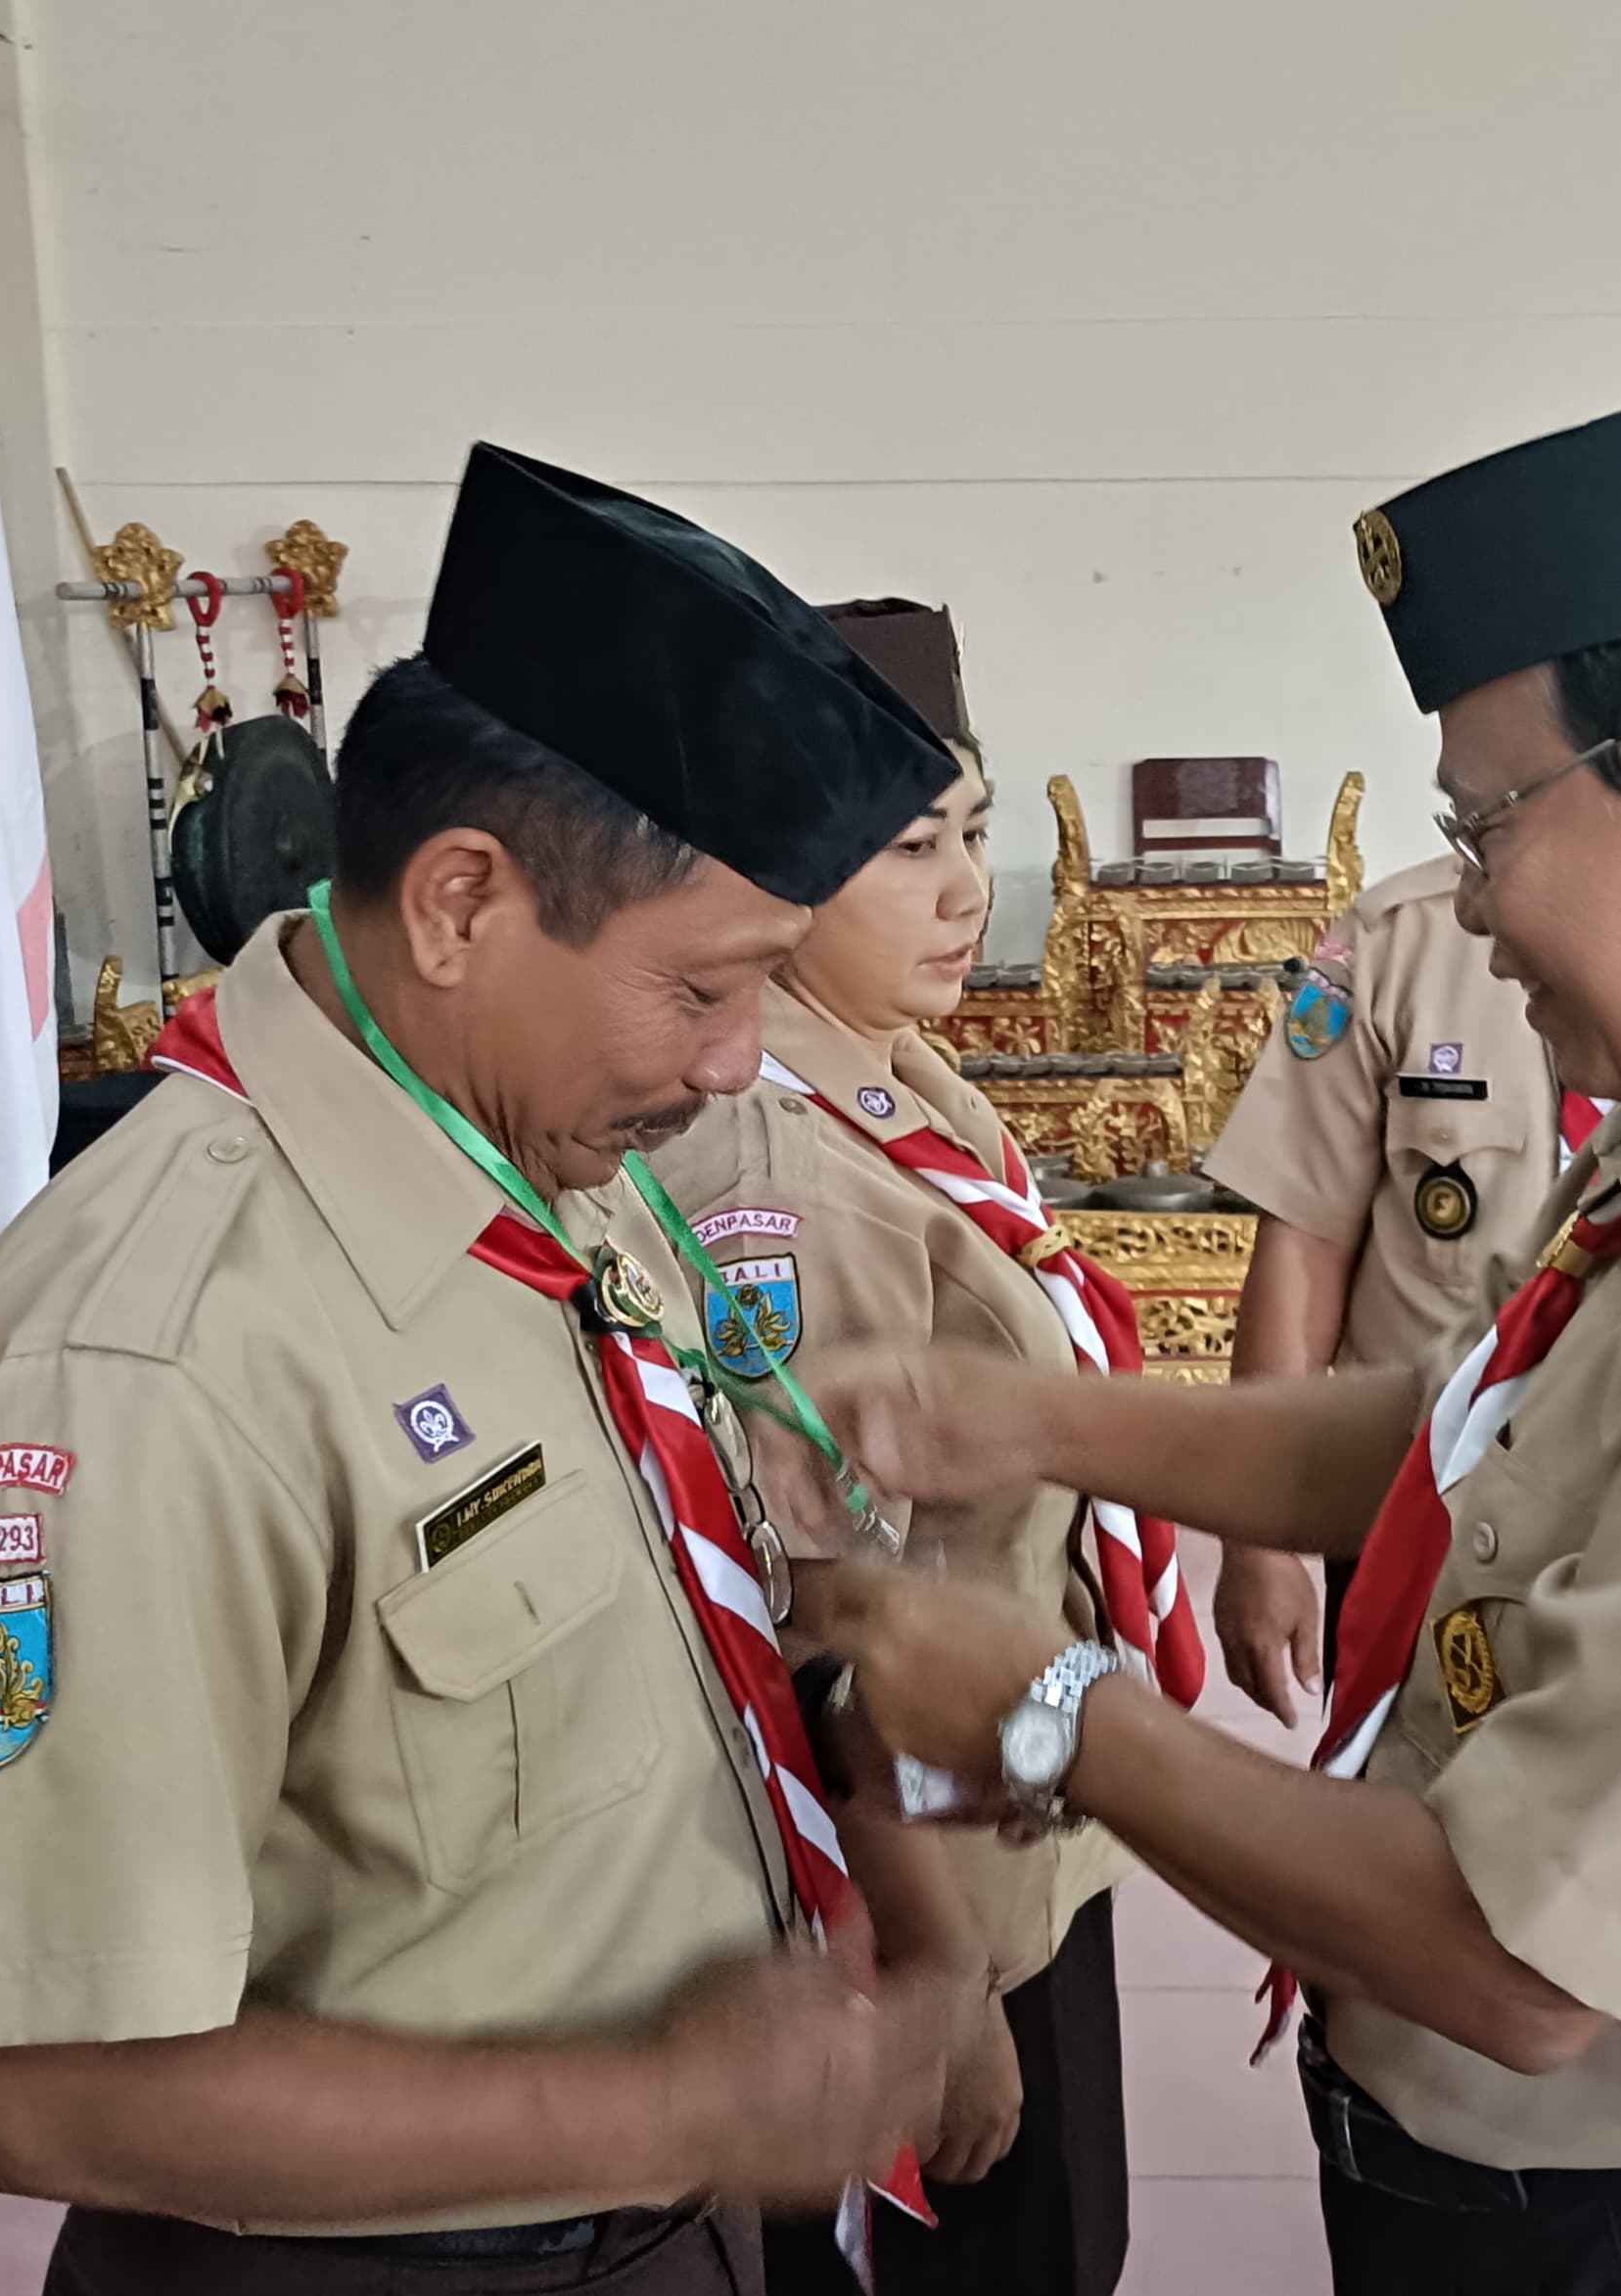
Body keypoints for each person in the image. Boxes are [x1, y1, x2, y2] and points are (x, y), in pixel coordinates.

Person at [803, 390, 1621, 2295]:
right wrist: (1022, 1418)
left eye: (1483, 824)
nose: (1474, 907)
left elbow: (1507, 1956)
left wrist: (1041, 1706)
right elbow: (1461, 1442)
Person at [0, 442, 992, 2296]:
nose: (735, 1068)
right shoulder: (152, 1365)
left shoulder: (561, 1166)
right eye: (704, 990)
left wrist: (928, 1947)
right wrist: (664, 2108)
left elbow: (737, 1606)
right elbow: (25, 2085)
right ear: (464, 903)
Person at [647, 611, 1173, 2296]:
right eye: (907, 848)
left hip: (1019, 1822)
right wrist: (933, 1981)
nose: (965, 889)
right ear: (784, 879)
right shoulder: (769, 1164)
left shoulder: (914, 1087)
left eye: (975, 832)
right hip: (923, 1875)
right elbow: (826, 1607)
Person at [1200, 855, 1580, 1725]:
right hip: (1419, 1513)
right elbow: (1304, 1242)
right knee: (1398, 1806)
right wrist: (1257, 1537)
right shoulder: (1401, 937)